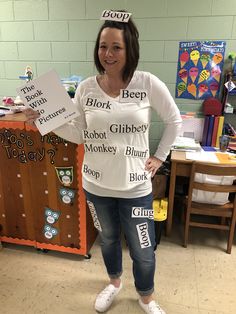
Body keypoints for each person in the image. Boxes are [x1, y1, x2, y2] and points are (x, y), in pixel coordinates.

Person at [24, 10, 182, 314]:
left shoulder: (147, 83)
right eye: (102, 46)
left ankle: (146, 297)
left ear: (129, 49)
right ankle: (114, 283)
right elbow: (77, 133)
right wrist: (43, 121)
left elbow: (174, 121)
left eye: (116, 47)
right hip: (97, 183)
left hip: (136, 186)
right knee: (108, 240)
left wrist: (159, 157)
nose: (107, 54)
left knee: (142, 248)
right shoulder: (86, 88)